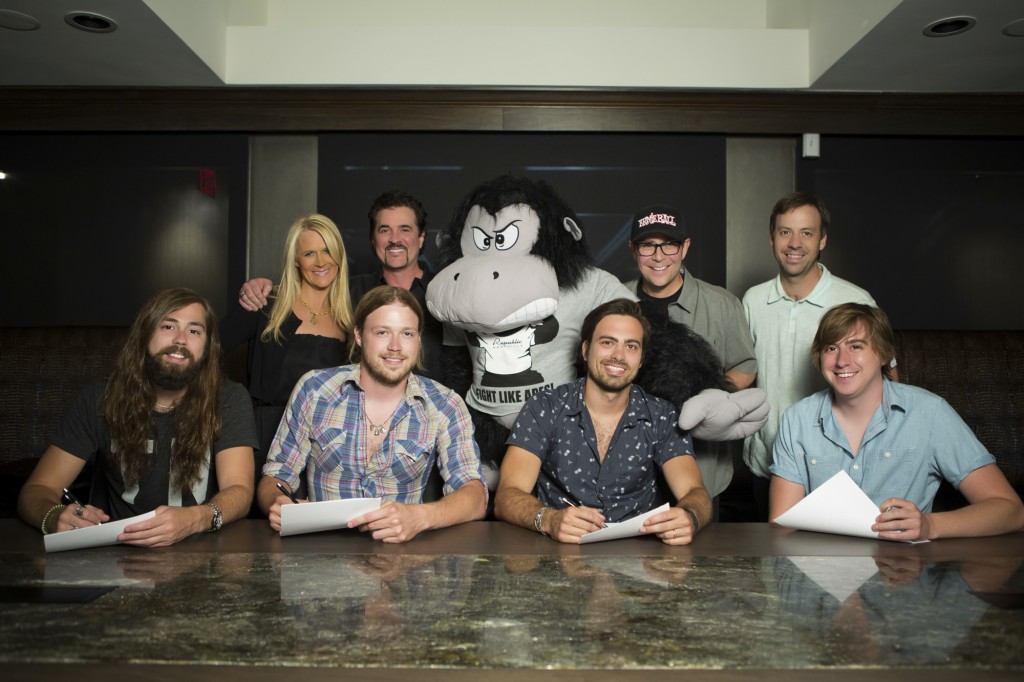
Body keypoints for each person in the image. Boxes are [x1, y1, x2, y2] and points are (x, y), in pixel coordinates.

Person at [18, 288, 258, 546]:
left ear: (208, 346)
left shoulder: (229, 398)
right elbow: (37, 490)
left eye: (194, 331)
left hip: (200, 551)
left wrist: (196, 519)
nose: (180, 340)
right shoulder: (100, 398)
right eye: (168, 326)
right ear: (144, 335)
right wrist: (54, 516)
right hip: (113, 554)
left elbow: (239, 491)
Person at [769, 303, 1024, 540]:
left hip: (905, 574)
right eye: (831, 348)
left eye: (856, 346)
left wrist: (930, 525)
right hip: (824, 575)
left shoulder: (930, 413)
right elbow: (781, 524)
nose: (842, 360)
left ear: (883, 355)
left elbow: (1012, 511)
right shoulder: (797, 419)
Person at [258, 285, 487, 543]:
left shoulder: (445, 404)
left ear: (419, 339)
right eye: (382, 332)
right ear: (358, 335)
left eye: (407, 334)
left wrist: (419, 517)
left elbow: (475, 496)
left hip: (400, 563)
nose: (395, 346)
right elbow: (276, 475)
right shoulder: (314, 390)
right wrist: (277, 504)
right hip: (320, 557)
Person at [495, 298, 711, 544]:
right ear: (586, 350)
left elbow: (696, 492)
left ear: (641, 360)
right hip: (558, 551)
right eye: (607, 342)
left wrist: (689, 517)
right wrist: (549, 519)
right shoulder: (544, 407)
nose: (618, 356)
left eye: (631, 346)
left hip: (638, 556)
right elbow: (506, 496)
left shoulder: (661, 415)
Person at [742, 192, 885, 520]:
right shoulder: (753, 300)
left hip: (840, 467)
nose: (794, 243)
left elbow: (888, 380)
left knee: (846, 568)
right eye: (785, 232)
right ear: (771, 238)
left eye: (806, 233)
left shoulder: (855, 300)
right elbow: (742, 374)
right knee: (774, 567)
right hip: (768, 462)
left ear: (822, 240)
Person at [622, 204, 756, 506]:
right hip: (628, 467)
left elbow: (745, 366)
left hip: (701, 464)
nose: (659, 256)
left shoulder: (722, 304)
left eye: (669, 245)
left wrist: (707, 401)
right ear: (633, 249)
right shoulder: (614, 300)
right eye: (648, 245)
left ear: (685, 248)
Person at [221, 214, 353, 508]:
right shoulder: (265, 306)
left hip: (326, 451)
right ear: (295, 261)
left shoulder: (351, 322)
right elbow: (204, 353)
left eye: (327, 250)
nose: (321, 261)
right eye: (309, 253)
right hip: (263, 439)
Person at [239, 191, 443, 381]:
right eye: (385, 230)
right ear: (373, 239)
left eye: (404, 229)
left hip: (433, 414)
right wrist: (261, 287)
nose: (395, 239)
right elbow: (305, 287)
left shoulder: (446, 295)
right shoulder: (347, 293)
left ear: (421, 236)